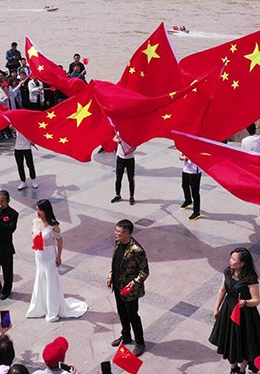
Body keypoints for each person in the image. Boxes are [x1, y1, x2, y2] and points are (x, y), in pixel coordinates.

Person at [209, 247, 260, 374]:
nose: (231, 261)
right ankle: (233, 368)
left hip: (245, 315)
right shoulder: (227, 272)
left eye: (234, 259)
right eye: (231, 258)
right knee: (229, 340)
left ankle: (242, 370)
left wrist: (246, 302)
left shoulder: (250, 278)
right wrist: (217, 308)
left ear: (242, 263)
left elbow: (256, 300)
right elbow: (223, 289)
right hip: (228, 311)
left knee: (245, 344)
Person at [26, 199, 87, 323]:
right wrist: (36, 240)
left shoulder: (53, 226)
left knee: (51, 281)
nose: (38, 213)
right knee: (40, 278)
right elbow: (32, 233)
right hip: (39, 254)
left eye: (40, 210)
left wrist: (59, 256)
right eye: (37, 210)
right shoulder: (35, 222)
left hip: (49, 255)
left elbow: (60, 240)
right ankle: (40, 307)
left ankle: (52, 310)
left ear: (46, 211)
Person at [107, 219, 148, 357]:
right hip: (117, 286)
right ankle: (125, 336)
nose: (116, 233)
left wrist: (131, 286)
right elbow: (115, 262)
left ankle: (140, 342)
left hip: (130, 291)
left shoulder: (137, 250)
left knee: (132, 315)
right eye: (116, 230)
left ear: (127, 233)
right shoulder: (118, 242)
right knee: (121, 312)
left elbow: (144, 272)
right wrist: (111, 275)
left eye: (119, 232)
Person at [111, 133, 136, 206]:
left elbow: (134, 147)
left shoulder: (133, 135)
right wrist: (118, 141)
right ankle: (118, 195)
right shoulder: (120, 132)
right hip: (120, 159)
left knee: (131, 179)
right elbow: (114, 138)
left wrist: (128, 152)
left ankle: (131, 197)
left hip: (130, 159)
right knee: (118, 178)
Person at [179, 153, 202, 221]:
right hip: (186, 170)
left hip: (195, 172)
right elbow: (180, 157)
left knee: (195, 192)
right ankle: (188, 200)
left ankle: (196, 212)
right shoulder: (186, 148)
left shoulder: (199, 149)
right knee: (184, 186)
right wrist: (184, 158)